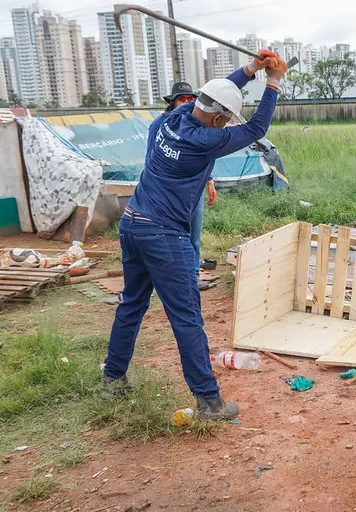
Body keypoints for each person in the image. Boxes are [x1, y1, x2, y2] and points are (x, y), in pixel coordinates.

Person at [102, 51, 288, 420]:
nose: (224, 126)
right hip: (164, 235)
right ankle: (208, 402)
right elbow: (256, 130)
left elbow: (215, 96)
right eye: (224, 120)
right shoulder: (205, 140)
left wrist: (250, 70)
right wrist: (273, 83)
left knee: (132, 304)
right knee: (186, 318)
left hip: (132, 224)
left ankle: (112, 378)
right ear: (219, 118)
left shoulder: (169, 120)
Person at [163, 82, 216, 291]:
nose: (186, 102)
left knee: (194, 237)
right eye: (181, 99)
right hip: (171, 193)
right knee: (172, 237)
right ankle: (169, 279)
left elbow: (203, 155)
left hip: (195, 192)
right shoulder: (165, 125)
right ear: (173, 102)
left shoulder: (197, 126)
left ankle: (192, 278)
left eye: (189, 99)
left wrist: (209, 181)